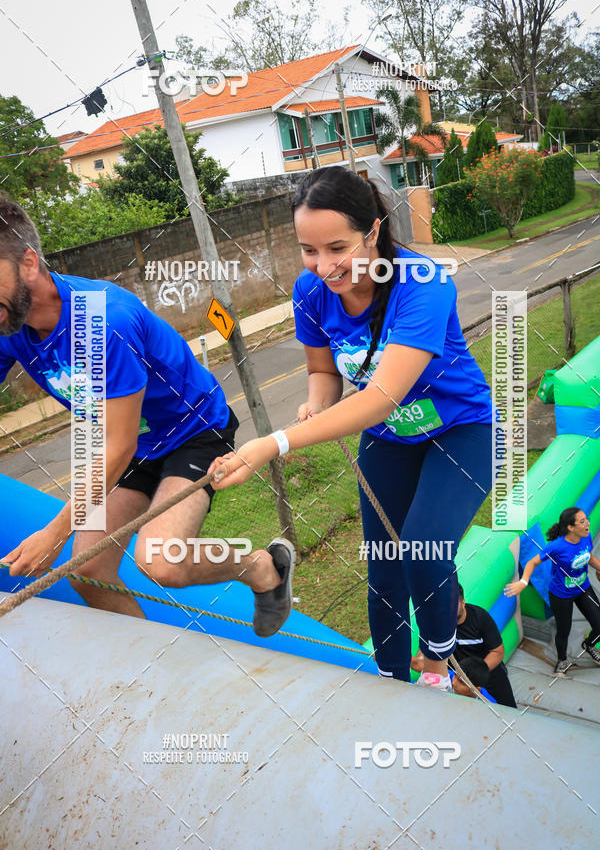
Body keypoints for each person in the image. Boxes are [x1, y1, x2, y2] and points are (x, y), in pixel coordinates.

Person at [209, 166, 494, 690]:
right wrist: (317, 405)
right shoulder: (311, 292)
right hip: (389, 444)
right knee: (384, 565)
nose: (323, 266)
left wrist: (271, 443)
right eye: (308, 250)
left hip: (458, 432)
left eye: (337, 248)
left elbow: (381, 399)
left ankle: (436, 664)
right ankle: (389, 679)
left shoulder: (422, 285)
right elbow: (323, 372)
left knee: (423, 545)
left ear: (375, 230)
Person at [0, 195, 294, 637]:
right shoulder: (9, 323)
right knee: (88, 571)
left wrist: (54, 532)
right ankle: (153, 667)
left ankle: (263, 567)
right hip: (135, 442)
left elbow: (117, 448)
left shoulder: (102, 320)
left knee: (162, 563)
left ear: (27, 263)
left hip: (193, 430)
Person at [505, 507, 600, 674]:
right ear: (570, 527)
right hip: (561, 595)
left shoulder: (586, 537)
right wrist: (523, 581)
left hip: (583, 588)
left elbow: (589, 557)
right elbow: (532, 563)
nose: (588, 524)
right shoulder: (556, 547)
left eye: (587, 519)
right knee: (564, 630)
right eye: (582, 521)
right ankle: (562, 660)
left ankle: (589, 645)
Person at [455, 583, 517, 707]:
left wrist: (474, 676)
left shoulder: (479, 618)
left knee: (507, 710)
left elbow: (498, 652)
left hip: (487, 670)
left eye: (453, 604)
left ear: (463, 602)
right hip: (458, 675)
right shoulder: (439, 621)